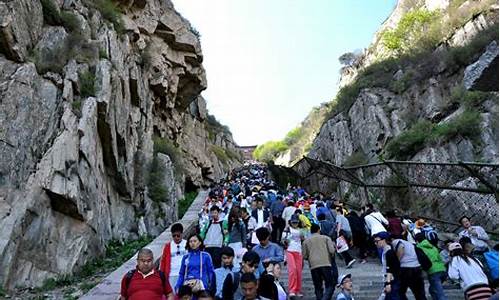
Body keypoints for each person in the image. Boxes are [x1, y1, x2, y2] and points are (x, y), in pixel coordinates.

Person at [302, 223, 336, 300]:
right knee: (330, 285)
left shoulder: (306, 241)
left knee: (318, 287)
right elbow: (331, 250)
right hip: (325, 263)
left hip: (313, 266)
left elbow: (304, 256)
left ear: (311, 231)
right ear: (319, 230)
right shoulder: (326, 238)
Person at [415, 233, 448, 300]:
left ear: (417, 241)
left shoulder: (418, 248)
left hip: (433, 271)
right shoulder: (433, 247)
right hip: (442, 270)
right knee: (433, 289)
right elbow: (440, 258)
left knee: (440, 294)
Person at [373, 232, 401, 300]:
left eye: (377, 241)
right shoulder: (385, 251)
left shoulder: (389, 252)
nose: (375, 243)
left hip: (393, 280)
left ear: (384, 240)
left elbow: (390, 268)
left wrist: (388, 283)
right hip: (391, 279)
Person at [160, 223, 188, 290]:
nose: (176, 238)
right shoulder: (168, 246)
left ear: (182, 234)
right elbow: (163, 262)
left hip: (185, 274)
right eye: (174, 236)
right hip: (171, 274)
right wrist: (162, 276)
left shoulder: (187, 244)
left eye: (178, 235)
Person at [282, 214, 305, 297]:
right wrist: (286, 240)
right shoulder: (287, 229)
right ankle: (292, 289)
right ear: (290, 222)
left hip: (298, 251)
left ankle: (298, 290)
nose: (294, 224)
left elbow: (303, 240)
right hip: (290, 250)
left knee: (298, 271)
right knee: (292, 270)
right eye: (293, 222)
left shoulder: (301, 230)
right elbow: (283, 240)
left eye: (296, 222)